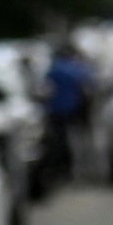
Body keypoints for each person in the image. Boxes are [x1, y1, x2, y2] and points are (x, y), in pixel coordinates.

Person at [42, 35, 95, 184]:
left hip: (56, 109)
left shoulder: (54, 68)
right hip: (75, 109)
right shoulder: (79, 69)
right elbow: (88, 90)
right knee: (76, 140)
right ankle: (77, 169)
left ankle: (61, 168)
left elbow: (46, 89)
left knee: (59, 140)